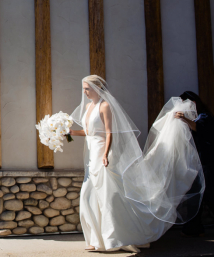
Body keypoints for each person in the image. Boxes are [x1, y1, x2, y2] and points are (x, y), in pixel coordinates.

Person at [68, 75, 204, 253]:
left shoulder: (105, 105)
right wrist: (69, 133)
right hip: (91, 156)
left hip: (103, 154)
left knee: (108, 195)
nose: (84, 92)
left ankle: (113, 238)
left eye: (87, 88)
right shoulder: (88, 106)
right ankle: (95, 239)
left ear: (96, 88)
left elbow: (109, 133)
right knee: (88, 195)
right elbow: (88, 132)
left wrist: (106, 154)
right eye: (83, 89)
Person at [177, 91, 214, 237]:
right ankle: (193, 226)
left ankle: (193, 226)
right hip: (198, 161)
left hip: (206, 161)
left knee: (207, 192)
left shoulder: (204, 117)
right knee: (196, 192)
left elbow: (200, 129)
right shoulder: (198, 117)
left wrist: (184, 119)